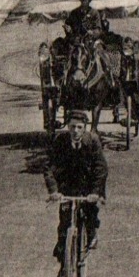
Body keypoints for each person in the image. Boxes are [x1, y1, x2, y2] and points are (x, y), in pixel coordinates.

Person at [46, 110, 108, 260]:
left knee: (90, 211)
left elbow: (101, 168)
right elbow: (50, 167)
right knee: (64, 226)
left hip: (89, 186)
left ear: (85, 127)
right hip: (68, 186)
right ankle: (64, 268)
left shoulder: (93, 141)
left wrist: (95, 192)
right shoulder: (60, 141)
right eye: (72, 126)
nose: (75, 131)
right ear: (68, 126)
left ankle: (92, 232)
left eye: (79, 127)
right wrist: (54, 191)